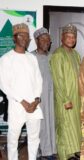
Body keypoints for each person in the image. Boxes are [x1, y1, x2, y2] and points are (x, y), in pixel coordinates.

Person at [0, 23, 43, 160]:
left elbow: (38, 80)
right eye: (21, 36)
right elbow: (4, 85)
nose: (25, 39)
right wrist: (22, 101)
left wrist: (36, 100)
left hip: (34, 106)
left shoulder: (32, 58)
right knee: (13, 139)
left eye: (27, 36)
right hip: (17, 105)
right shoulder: (6, 59)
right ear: (14, 38)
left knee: (34, 138)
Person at [49, 24, 81, 160]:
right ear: (62, 38)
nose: (71, 39)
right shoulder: (57, 55)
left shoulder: (76, 54)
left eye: (73, 37)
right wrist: (65, 100)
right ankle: (63, 156)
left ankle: (72, 154)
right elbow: (58, 80)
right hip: (65, 100)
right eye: (68, 36)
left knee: (74, 127)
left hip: (76, 99)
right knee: (64, 128)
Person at [31, 27, 57, 159]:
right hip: (38, 98)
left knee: (52, 123)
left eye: (48, 40)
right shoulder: (31, 57)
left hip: (52, 97)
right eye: (43, 39)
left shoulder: (52, 57)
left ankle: (51, 151)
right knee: (40, 126)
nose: (47, 42)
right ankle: (39, 152)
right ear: (36, 40)